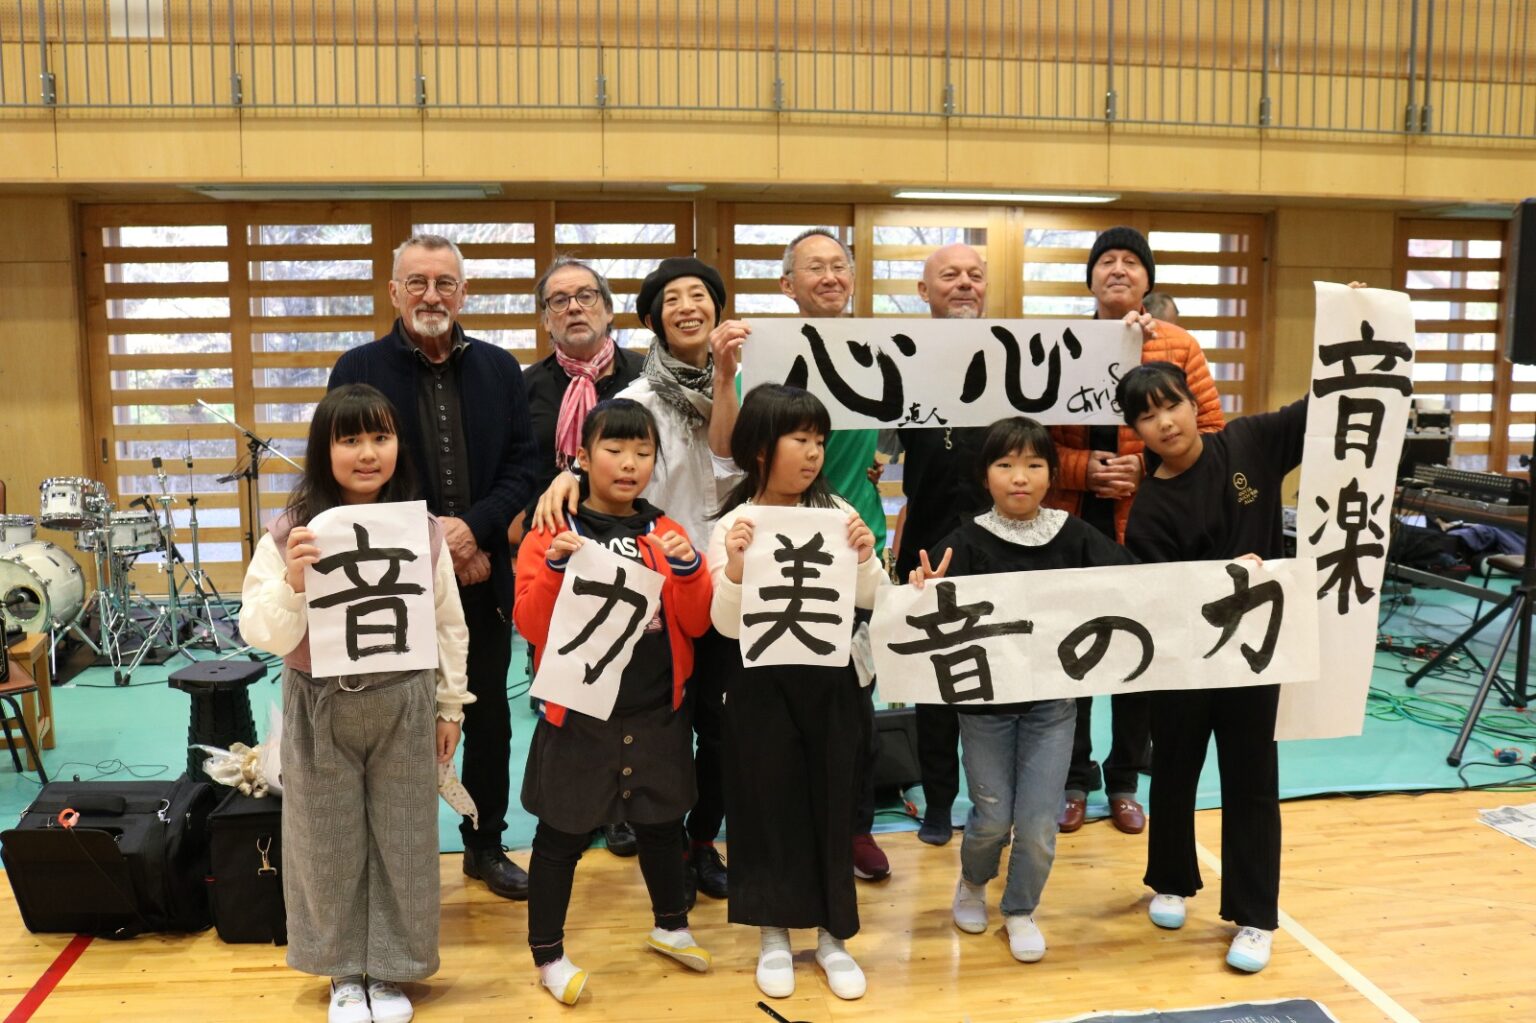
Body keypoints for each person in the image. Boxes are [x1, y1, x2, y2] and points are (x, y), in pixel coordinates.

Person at [240, 384, 470, 1023]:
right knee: (325, 838)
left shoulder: (422, 530)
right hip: (319, 701)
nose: (368, 453)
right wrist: (293, 581)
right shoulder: (289, 531)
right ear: (324, 449)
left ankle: (393, 970)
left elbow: (448, 622)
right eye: (350, 440)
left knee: (405, 837)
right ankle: (343, 972)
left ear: (398, 445)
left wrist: (450, 705)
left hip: (404, 700)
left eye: (380, 437)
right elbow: (260, 630)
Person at [532, 256, 748, 905]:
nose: (688, 307)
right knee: (663, 726)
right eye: (672, 299)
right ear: (652, 319)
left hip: (729, 580)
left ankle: (701, 840)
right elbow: (597, 462)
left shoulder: (743, 386)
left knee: (724, 729)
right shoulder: (634, 400)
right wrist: (565, 477)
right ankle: (662, 836)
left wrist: (729, 376)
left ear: (717, 309)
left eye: (699, 295)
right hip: (658, 591)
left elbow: (734, 458)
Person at [329, 234, 537, 900]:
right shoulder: (358, 368)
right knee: (395, 715)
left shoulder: (500, 369)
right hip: (389, 579)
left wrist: (472, 532)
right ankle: (399, 851)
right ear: (394, 291)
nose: (431, 295)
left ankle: (485, 843)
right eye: (416, 282)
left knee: (489, 715)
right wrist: (433, 545)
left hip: (482, 572)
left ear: (463, 292)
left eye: (445, 282)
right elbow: (352, 468)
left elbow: (523, 467)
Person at [908, 416, 1134, 963]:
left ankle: (1019, 909)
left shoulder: (1074, 535)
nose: (1019, 477)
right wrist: (921, 589)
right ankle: (972, 882)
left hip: (1052, 708)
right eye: (1005, 464)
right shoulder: (963, 540)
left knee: (1036, 823)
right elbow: (922, 609)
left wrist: (1224, 572)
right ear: (984, 474)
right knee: (990, 817)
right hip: (983, 709)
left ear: (1052, 474)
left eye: (1034, 465)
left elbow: (1138, 579)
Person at [513, 399, 715, 1005]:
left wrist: (690, 571)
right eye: (614, 449)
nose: (630, 463)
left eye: (643, 452)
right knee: (561, 837)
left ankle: (671, 925)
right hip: (578, 712)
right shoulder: (553, 529)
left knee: (662, 825)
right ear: (582, 456)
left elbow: (697, 623)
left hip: (656, 709)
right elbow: (531, 624)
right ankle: (548, 954)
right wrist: (554, 566)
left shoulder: (666, 530)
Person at [1119, 361, 1307, 974]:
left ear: (1194, 403)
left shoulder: (1250, 442)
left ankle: (1255, 917)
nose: (1164, 422)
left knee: (1252, 780)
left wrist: (1354, 334)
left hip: (1256, 656)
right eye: (1147, 416)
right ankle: (1171, 880)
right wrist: (1223, 580)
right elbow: (1160, 598)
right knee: (1174, 768)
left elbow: (1323, 407)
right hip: (1187, 661)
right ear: (1136, 432)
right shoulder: (1149, 508)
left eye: (1170, 404)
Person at [1046, 225, 1225, 836]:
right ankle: (1073, 779)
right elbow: (1031, 443)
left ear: (1147, 279)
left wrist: (1143, 466)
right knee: (1071, 654)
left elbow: (1213, 434)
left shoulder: (1178, 346)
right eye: (1106, 261)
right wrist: (1083, 468)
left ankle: (1124, 780)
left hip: (1148, 524)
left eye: (1130, 261)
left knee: (1136, 654)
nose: (1118, 269)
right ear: (1090, 278)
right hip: (1072, 521)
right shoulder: (1060, 345)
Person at [709, 383, 883, 1002]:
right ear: (761, 448)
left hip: (832, 684)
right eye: (800, 440)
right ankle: (774, 933)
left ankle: (834, 937)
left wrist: (866, 557)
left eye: (819, 441)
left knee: (834, 803)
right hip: (759, 688)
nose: (813, 453)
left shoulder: (839, 511)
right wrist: (734, 568)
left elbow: (873, 599)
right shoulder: (731, 523)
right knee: (766, 803)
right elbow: (724, 625)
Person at [521, 255, 647, 857]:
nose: (574, 307)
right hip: (557, 545)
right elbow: (518, 469)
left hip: (633, 540)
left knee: (630, 680)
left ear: (608, 308)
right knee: (570, 687)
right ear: (546, 319)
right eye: (559, 300)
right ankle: (577, 805)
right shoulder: (526, 387)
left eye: (586, 296)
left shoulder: (645, 376)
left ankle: (626, 810)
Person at [778, 227, 891, 881]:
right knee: (787, 701)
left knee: (856, 702)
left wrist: (884, 458)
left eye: (838, 266)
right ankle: (793, 824)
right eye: (813, 267)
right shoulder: (768, 353)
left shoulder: (881, 350)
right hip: (786, 546)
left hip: (857, 545)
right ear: (787, 285)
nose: (829, 276)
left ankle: (854, 826)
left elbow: (912, 423)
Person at [896, 242, 992, 846]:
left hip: (999, 547)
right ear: (924, 291)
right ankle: (937, 802)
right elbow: (877, 448)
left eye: (974, 276)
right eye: (949, 275)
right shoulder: (897, 358)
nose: (964, 284)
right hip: (926, 545)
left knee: (993, 683)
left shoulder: (1014, 357)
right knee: (932, 684)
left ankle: (991, 802)